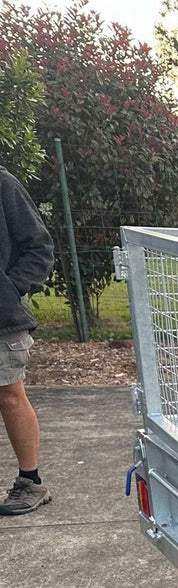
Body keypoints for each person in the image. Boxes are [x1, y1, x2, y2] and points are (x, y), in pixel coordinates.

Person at [0, 165, 56, 516]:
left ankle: (31, 482)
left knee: (9, 394)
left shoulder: (3, 183)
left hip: (1, 320)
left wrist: (8, 291)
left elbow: (40, 248)